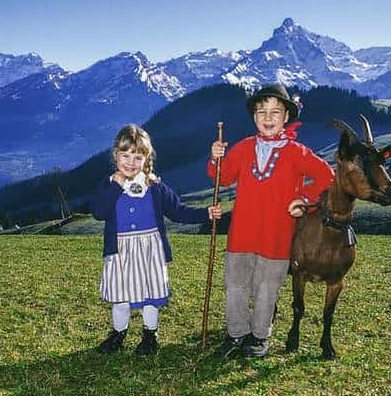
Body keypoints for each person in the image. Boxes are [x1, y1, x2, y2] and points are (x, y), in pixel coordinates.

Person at [209, 83, 334, 359]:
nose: (267, 117)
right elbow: (223, 177)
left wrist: (304, 200)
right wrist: (216, 159)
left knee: (267, 288)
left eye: (275, 112)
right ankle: (236, 333)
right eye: (261, 111)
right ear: (254, 117)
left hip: (276, 236)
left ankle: (259, 336)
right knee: (235, 286)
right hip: (241, 234)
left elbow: (327, 177)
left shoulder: (297, 151)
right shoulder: (243, 148)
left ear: (286, 116)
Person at [91, 124, 222, 356]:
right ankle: (117, 334)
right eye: (125, 155)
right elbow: (99, 212)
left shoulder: (155, 187)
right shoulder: (109, 185)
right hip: (120, 250)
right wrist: (115, 186)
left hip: (149, 250)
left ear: (146, 158)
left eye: (137, 156)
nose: (130, 162)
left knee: (149, 295)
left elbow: (178, 211)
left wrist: (205, 213)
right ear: (115, 156)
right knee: (120, 296)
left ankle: (150, 334)